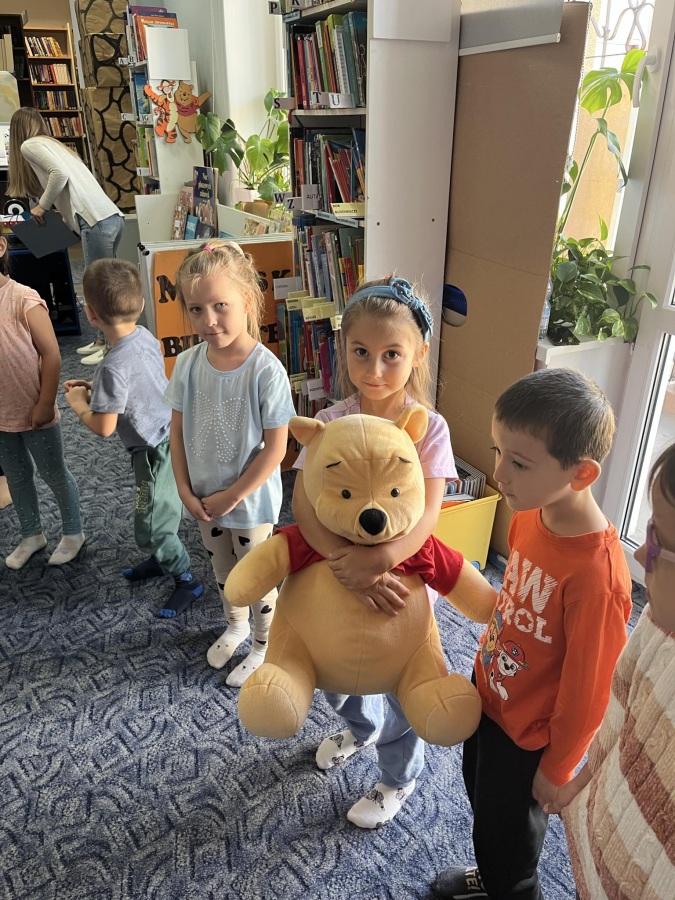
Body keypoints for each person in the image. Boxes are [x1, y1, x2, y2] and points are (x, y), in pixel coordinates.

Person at [430, 368, 633, 900]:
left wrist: (557, 768)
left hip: (530, 738)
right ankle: (493, 876)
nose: (500, 473)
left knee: (510, 845)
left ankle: (510, 887)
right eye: (498, 451)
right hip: (490, 696)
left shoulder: (597, 579)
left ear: (581, 474)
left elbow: (590, 695)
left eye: (518, 463)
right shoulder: (530, 514)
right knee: (483, 807)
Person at [293, 275, 470, 829]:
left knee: (400, 685)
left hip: (402, 581)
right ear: (343, 348)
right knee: (333, 669)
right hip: (338, 579)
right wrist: (343, 563)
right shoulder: (330, 421)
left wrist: (379, 561)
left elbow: (429, 514)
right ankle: (360, 728)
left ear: (419, 353)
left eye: (391, 354)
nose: (374, 369)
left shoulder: (429, 428)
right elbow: (302, 504)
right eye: (360, 352)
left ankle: (398, 775)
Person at [546, 442, 675, 900]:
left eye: (657, 541)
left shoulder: (599, 578)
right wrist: (581, 782)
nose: (640, 555)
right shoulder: (657, 624)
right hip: (604, 848)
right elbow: (617, 715)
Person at [164, 240, 295, 686]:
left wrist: (232, 496)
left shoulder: (265, 370)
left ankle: (264, 642)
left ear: (248, 301)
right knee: (223, 570)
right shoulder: (186, 364)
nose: (208, 320)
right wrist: (184, 490)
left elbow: (276, 450)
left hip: (249, 502)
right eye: (196, 309)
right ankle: (236, 625)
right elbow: (176, 434)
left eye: (220, 305)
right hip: (204, 499)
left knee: (254, 576)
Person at [63, 258, 203, 618]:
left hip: (153, 453)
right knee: (157, 512)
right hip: (169, 433)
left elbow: (104, 427)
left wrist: (79, 403)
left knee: (151, 527)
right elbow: (136, 383)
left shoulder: (111, 366)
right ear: (140, 304)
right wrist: (95, 388)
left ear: (90, 313)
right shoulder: (144, 336)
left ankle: (186, 579)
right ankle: (160, 560)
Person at [7, 107, 125, 366]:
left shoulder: (29, 145)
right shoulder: (54, 145)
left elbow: (59, 174)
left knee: (98, 287)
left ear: (16, 131)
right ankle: (102, 340)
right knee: (104, 284)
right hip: (110, 218)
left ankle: (111, 346)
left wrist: (42, 207)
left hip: (96, 222)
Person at [0, 232, 84, 568]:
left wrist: (46, 403)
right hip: (1, 415)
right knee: (16, 476)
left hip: (34, 407)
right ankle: (31, 533)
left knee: (53, 472)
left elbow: (51, 354)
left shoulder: (23, 298)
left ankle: (73, 532)